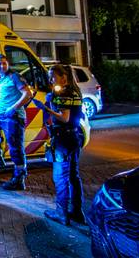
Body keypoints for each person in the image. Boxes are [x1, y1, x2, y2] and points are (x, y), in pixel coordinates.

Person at [42, 64, 85, 225]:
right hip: (74, 137)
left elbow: (64, 117)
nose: (50, 79)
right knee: (74, 176)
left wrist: (46, 107)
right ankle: (77, 212)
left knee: (60, 177)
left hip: (63, 140)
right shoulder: (75, 91)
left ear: (63, 77)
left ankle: (62, 213)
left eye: (53, 76)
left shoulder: (64, 93)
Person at [0, 54, 32, 191]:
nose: (2, 66)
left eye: (4, 63)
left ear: (8, 63)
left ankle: (19, 178)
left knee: (15, 148)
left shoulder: (14, 76)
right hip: (0, 116)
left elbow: (27, 94)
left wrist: (13, 108)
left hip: (14, 117)